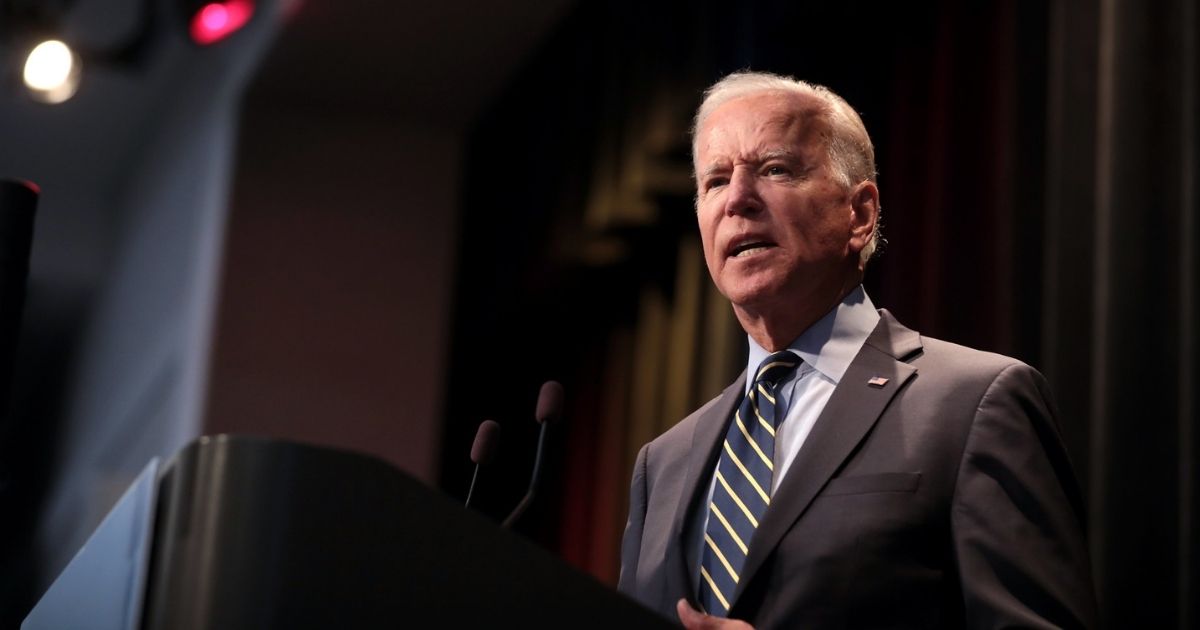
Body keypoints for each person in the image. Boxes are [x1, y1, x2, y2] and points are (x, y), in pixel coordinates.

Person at [616, 72, 1097, 629]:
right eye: (716, 180)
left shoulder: (974, 405)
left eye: (774, 169)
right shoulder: (663, 464)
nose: (738, 200)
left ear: (860, 214)